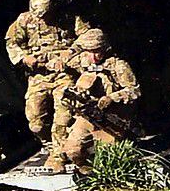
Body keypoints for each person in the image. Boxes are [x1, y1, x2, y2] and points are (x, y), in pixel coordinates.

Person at [52, 28, 142, 172]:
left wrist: (112, 98)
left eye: (97, 51)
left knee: (110, 158)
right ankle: (87, 169)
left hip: (111, 119)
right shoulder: (81, 61)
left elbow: (134, 91)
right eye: (89, 51)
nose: (93, 57)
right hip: (88, 116)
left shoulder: (118, 66)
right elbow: (60, 62)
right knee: (73, 150)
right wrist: (60, 62)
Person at [4, 0, 73, 142]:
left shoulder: (66, 18)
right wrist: (23, 57)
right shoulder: (24, 20)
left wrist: (70, 53)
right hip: (39, 76)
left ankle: (60, 150)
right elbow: (11, 43)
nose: (43, 18)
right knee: (36, 121)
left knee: (64, 116)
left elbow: (87, 36)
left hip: (63, 74)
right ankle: (47, 142)